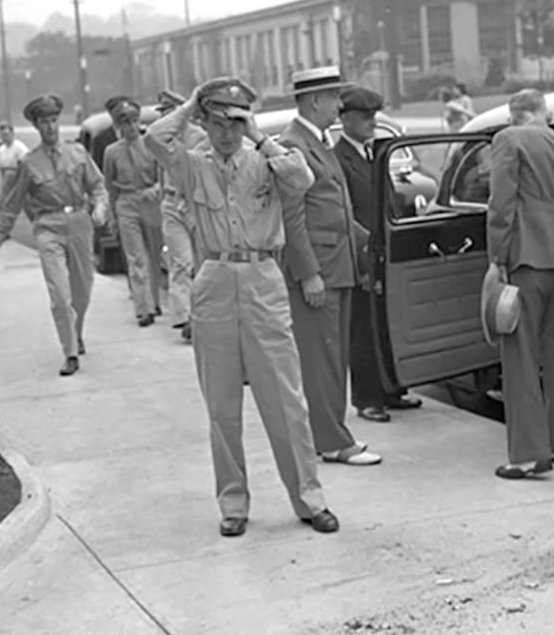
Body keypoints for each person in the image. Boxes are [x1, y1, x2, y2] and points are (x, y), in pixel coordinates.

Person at [146, 76, 339, 537]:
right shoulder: (192, 165)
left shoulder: (265, 160)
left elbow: (302, 179)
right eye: (217, 122)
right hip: (214, 278)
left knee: (286, 400)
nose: (226, 133)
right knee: (222, 403)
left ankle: (310, 499)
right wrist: (191, 104)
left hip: (261, 278)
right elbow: (156, 138)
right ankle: (233, 504)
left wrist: (259, 135)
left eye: (235, 123)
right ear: (205, 123)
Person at [487, 87, 554, 479]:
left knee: (522, 357)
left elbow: (501, 204)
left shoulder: (508, 139)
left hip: (527, 257)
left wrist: (497, 258)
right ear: (543, 113)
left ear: (514, 115)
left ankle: (529, 454)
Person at [279, 66, 381, 467]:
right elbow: (293, 218)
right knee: (322, 361)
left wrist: (369, 243)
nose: (339, 106)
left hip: (338, 266)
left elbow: (336, 208)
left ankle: (333, 434)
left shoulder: (318, 141)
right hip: (319, 271)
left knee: (335, 358)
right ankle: (332, 441)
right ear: (314, 100)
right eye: (334, 97)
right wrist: (308, 274)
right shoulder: (294, 145)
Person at [0, 94, 109, 377]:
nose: (51, 128)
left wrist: (101, 208)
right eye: (44, 123)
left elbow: (98, 186)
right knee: (59, 293)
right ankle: (69, 352)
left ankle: (76, 334)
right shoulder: (29, 163)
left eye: (54, 121)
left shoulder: (78, 153)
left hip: (79, 221)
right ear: (36, 127)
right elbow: (13, 204)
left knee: (82, 290)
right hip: (48, 226)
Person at [332, 84, 422, 422]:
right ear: (346, 120)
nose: (372, 121)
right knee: (363, 329)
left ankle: (391, 390)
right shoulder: (339, 159)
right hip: (360, 254)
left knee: (385, 322)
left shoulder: (373, 154)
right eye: (365, 116)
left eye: (373, 115)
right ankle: (367, 398)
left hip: (384, 252)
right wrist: (364, 252)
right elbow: (344, 213)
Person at [102, 97, 164, 327]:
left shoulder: (151, 144)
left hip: (150, 202)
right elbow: (109, 185)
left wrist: (156, 189)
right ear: (118, 126)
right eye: (125, 122)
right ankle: (143, 308)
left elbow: (163, 175)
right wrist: (111, 215)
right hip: (126, 203)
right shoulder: (112, 152)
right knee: (136, 257)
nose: (130, 127)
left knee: (154, 255)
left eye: (134, 121)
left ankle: (155, 301)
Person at [149, 89, 204, 342]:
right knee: (180, 261)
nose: (166, 116)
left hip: (194, 203)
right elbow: (161, 171)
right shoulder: (164, 138)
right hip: (171, 202)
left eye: (169, 111)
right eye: (163, 112)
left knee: (201, 264)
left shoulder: (198, 137)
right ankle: (184, 318)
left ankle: (199, 316)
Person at [0, 122, 29, 214]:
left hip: (18, 177)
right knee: (2, 203)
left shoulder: (20, 148)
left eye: (6, 135)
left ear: (12, 134)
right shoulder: (1, 150)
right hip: (7, 179)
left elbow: (26, 164)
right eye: (2, 135)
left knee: (26, 203)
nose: (5, 137)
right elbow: (1, 168)